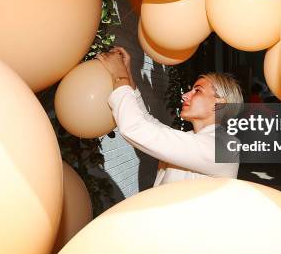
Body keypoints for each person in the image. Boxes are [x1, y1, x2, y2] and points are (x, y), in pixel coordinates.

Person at [96, 46, 243, 187]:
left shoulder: (223, 148)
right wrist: (127, 74)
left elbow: (136, 128)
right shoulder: (195, 138)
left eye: (197, 91)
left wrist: (120, 78)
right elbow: (149, 122)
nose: (185, 96)